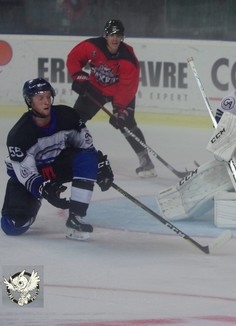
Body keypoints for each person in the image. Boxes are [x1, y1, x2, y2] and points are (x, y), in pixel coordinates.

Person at [1, 78, 114, 241]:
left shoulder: (68, 116)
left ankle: (76, 218)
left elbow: (85, 147)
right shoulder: (19, 135)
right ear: (29, 101)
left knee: (88, 158)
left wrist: (100, 165)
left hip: (57, 166)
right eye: (40, 98)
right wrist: (43, 189)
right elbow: (26, 174)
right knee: (12, 226)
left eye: (48, 96)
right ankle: (33, 200)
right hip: (32, 176)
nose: (46, 101)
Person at [66, 19, 156, 178]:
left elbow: (127, 87)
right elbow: (74, 58)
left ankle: (145, 160)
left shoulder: (128, 58)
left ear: (122, 37)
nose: (115, 38)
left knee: (127, 124)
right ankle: (64, 155)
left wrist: (120, 111)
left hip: (119, 92)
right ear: (105, 35)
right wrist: (78, 76)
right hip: (96, 88)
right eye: (111, 34)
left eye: (118, 35)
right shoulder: (92, 46)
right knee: (75, 120)